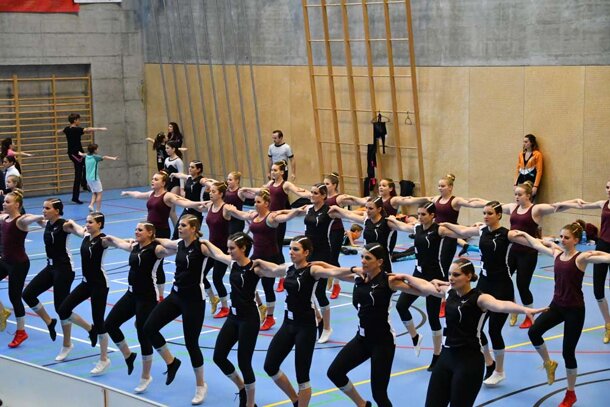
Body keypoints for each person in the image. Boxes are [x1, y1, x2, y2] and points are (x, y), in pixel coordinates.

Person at [317, 243, 446, 407]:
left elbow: (424, 290)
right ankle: (362, 405)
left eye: (367, 258)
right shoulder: (358, 277)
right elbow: (332, 271)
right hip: (362, 339)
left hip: (383, 343)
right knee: (334, 372)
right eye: (362, 257)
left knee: (379, 394)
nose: (363, 261)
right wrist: (319, 264)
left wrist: (414, 279)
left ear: (379, 262)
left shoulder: (389, 281)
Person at [421, 258, 545, 407]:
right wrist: (403, 277)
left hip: (469, 361)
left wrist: (524, 310)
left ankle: (497, 369)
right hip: (446, 357)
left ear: (468, 276)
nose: (451, 278)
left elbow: (500, 305)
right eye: (449, 274)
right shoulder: (448, 292)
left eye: (456, 274)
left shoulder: (479, 298)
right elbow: (422, 286)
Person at [513, 224, 610, 407]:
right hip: (556, 306)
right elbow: (535, 244)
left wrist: (601, 253)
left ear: (576, 240)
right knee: (533, 332)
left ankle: (570, 394)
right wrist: (525, 233)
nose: (562, 240)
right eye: (561, 237)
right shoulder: (556, 253)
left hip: (575, 310)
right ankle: (548, 363)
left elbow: (605, 258)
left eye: (566, 237)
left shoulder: (581, 258)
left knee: (568, 353)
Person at [439, 201, 525, 385]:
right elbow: (462, 231)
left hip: (502, 286)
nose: (486, 216)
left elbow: (531, 242)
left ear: (499, 215)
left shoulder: (507, 234)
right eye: (484, 213)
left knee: (494, 330)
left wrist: (548, 246)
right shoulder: (481, 230)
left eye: (490, 213)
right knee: (475, 327)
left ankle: (500, 371)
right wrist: (445, 224)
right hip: (484, 283)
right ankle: (489, 362)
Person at [254, 236, 327, 407]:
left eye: (296, 249)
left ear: (306, 252)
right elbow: (274, 269)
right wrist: (258, 262)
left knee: (302, 376)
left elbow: (335, 273)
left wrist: (354, 270)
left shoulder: (313, 270)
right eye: (290, 249)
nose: (291, 252)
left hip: (306, 327)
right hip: (288, 324)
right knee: (270, 366)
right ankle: (296, 400)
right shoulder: (288, 268)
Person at [143, 214, 208, 405]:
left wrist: (236, 260)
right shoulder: (179, 244)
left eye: (184, 225)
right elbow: (165, 241)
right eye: (179, 225)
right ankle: (171, 362)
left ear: (194, 228)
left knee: (191, 344)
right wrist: (149, 238)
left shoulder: (202, 247)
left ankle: (200, 385)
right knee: (149, 328)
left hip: (194, 301)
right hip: (176, 296)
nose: (179, 227)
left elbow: (220, 255)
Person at [386, 202, 455, 370]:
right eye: (418, 214)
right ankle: (415, 336)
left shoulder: (439, 230)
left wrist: (476, 230)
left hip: (435, 278)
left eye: (423, 214)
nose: (420, 217)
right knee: (401, 306)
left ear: (432, 215)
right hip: (418, 274)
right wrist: (389, 219)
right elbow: (401, 226)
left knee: (433, 318)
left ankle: (437, 355)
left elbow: (459, 233)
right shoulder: (417, 228)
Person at [102, 223, 167, 394]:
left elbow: (174, 248)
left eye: (140, 230)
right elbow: (118, 243)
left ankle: (146, 377)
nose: (136, 231)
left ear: (150, 233)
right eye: (136, 229)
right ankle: (128, 355)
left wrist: (163, 240)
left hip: (147, 298)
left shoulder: (156, 250)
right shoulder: (134, 246)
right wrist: (109, 237)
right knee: (110, 324)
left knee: (143, 335)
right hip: (131, 294)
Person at [225, 189, 302, 331]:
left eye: (258, 202)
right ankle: (261, 306)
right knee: (246, 283)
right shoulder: (254, 215)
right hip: (256, 256)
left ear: (266, 203)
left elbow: (286, 217)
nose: (255, 204)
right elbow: (241, 214)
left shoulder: (271, 218)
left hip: (270, 257)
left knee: (268, 288)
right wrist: (231, 209)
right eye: (255, 201)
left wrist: (296, 211)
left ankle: (270, 318)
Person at [121, 172, 204, 299]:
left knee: (158, 263)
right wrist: (128, 192)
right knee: (148, 262)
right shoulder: (151, 194)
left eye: (156, 179)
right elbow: (138, 194)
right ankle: (149, 288)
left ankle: (159, 295)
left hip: (160, 232)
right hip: (148, 231)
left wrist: (198, 204)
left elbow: (183, 202)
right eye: (152, 178)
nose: (152, 181)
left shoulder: (167, 196)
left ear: (163, 183)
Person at [201, 233, 260, 407]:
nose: (229, 251)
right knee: (219, 357)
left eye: (232, 248)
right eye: (228, 247)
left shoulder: (255, 268)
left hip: (249, 319)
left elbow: (277, 270)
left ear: (243, 248)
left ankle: (250, 404)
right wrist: (205, 241)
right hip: (233, 317)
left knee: (244, 363)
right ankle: (242, 389)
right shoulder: (232, 263)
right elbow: (218, 254)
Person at [495, 181, 565, 328]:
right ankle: (513, 309)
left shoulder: (535, 210)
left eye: (520, 194)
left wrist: (575, 204)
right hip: (513, 251)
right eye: (515, 194)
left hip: (528, 254)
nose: (516, 197)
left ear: (528, 195)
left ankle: (529, 315)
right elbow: (492, 205)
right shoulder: (512, 207)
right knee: (504, 281)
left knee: (522, 286)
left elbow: (555, 207)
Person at [554, 182, 610, 343]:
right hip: (603, 245)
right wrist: (562, 203)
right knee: (598, 291)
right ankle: (608, 324)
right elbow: (581, 205)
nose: (609, 190)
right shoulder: (603, 204)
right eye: (607, 187)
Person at [241, 161, 310, 292]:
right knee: (268, 248)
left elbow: (299, 191)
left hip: (278, 220)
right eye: (272, 170)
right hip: (266, 218)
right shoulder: (270, 184)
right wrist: (246, 189)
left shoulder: (286, 184)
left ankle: (282, 276)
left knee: (276, 248)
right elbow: (260, 190)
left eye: (275, 170)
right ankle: (274, 272)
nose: (272, 172)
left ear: (282, 172)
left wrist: (311, 195)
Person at [21, 199, 76, 360]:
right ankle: (49, 321)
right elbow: (29, 218)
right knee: (28, 294)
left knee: (61, 308)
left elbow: (77, 230)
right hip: (50, 267)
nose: (43, 210)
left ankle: (67, 344)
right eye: (43, 207)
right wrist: (39, 216)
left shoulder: (64, 225)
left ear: (57, 211)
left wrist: (83, 230)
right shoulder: (47, 224)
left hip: (64, 269)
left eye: (47, 208)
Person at [57, 213, 111, 375]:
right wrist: (72, 221)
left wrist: (130, 242)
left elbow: (116, 242)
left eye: (91, 222)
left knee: (99, 321)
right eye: (87, 222)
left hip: (99, 285)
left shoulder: (103, 240)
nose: (87, 224)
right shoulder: (86, 235)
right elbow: (77, 228)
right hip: (86, 283)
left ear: (99, 224)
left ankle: (104, 359)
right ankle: (90, 329)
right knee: (63, 309)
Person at [0, 191, 40, 348]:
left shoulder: (21, 221)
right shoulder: (4, 217)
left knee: (14, 297)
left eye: (7, 202)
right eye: (4, 201)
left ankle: (21, 332)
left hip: (18, 264)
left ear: (17, 205)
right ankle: (2, 313)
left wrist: (42, 217)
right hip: (5, 261)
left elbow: (30, 218)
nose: (4, 203)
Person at [57, 113, 107, 204]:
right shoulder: (76, 129)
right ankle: (77, 194)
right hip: (75, 154)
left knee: (85, 166)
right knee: (78, 174)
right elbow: (88, 129)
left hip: (77, 154)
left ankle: (83, 185)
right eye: (79, 120)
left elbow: (62, 130)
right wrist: (100, 129)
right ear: (75, 120)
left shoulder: (67, 129)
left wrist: (59, 131)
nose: (79, 121)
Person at [323, 172, 350, 299]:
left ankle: (336, 284)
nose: (325, 186)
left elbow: (349, 199)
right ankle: (328, 277)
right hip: (324, 231)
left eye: (327, 184)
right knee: (326, 257)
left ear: (334, 185)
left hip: (336, 230)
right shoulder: (322, 197)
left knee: (333, 258)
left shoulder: (338, 198)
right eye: (324, 183)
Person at [170, 160, 206, 238]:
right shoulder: (189, 177)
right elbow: (181, 175)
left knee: (194, 234)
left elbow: (209, 182)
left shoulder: (201, 180)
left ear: (198, 169)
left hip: (197, 210)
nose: (190, 168)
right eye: (189, 166)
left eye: (192, 167)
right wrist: (173, 174)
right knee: (177, 231)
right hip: (187, 209)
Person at [79, 143, 118, 212]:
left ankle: (91, 205)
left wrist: (80, 153)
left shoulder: (87, 155)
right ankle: (98, 210)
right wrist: (113, 158)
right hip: (94, 178)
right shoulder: (95, 157)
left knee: (94, 193)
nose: (98, 149)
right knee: (99, 193)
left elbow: (83, 154)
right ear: (94, 150)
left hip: (88, 178)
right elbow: (104, 157)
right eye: (97, 149)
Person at [163, 140, 185, 228]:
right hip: (168, 185)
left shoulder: (178, 161)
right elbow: (165, 174)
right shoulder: (166, 160)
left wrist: (182, 189)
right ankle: (176, 228)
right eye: (165, 148)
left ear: (173, 149)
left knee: (171, 210)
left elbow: (181, 175)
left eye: (168, 148)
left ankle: (177, 230)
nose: (166, 150)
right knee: (168, 211)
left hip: (176, 185)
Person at [514, 134, 543, 199]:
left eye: (526, 142)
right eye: (523, 142)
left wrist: (535, 186)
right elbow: (518, 170)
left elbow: (539, 171)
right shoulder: (521, 154)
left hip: (531, 181)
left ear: (531, 143)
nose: (524, 144)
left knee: (527, 200)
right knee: (519, 199)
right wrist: (515, 184)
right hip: (521, 181)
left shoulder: (537, 154)